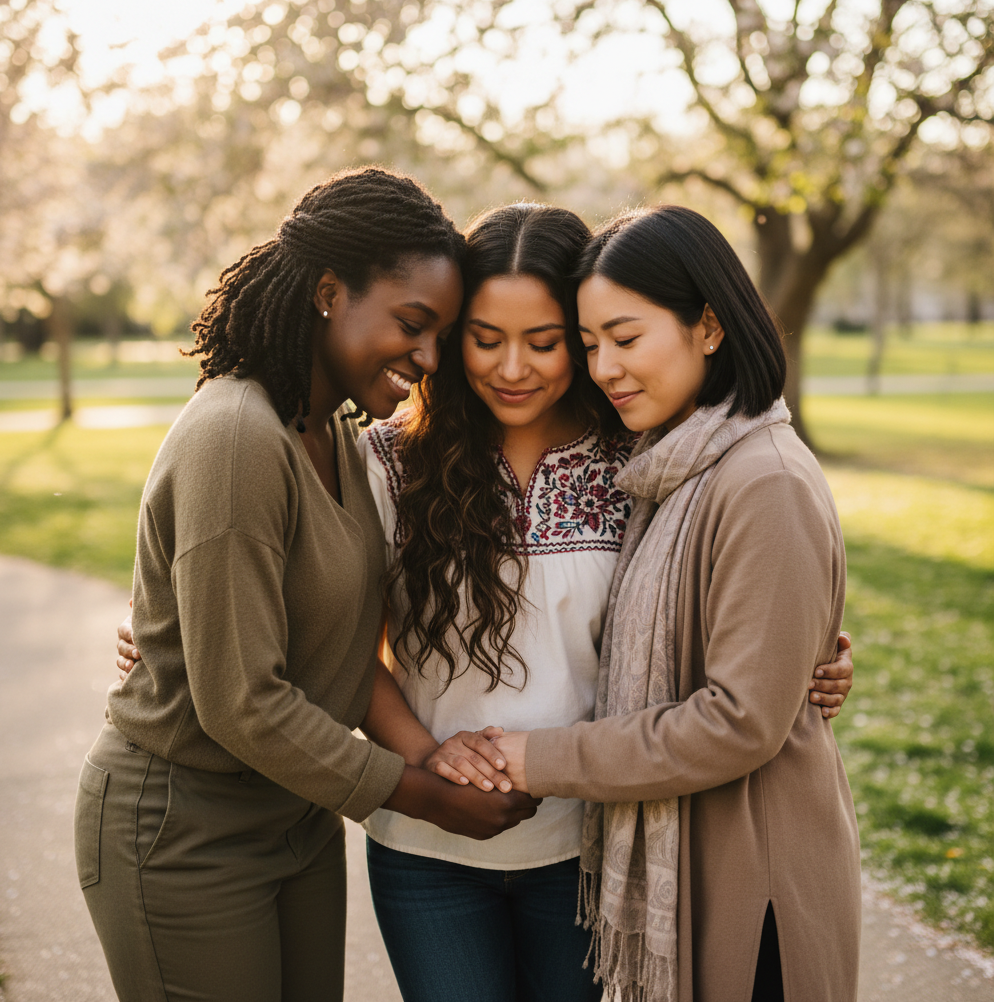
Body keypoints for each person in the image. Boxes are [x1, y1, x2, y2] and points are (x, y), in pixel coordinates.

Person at [115, 202, 855, 1001]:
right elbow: (324, 634)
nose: (513, 368)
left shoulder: (639, 464)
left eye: (547, 342)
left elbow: (709, 611)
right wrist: (427, 761)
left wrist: (809, 659)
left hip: (585, 848)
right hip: (429, 852)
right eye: (484, 338)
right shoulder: (385, 462)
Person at [75, 168, 539, 1002]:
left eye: (440, 335)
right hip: (185, 830)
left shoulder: (331, 437)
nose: (429, 358)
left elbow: (334, 637)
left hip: (296, 820)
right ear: (329, 291)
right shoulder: (237, 435)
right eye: (411, 324)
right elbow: (240, 700)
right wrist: (424, 796)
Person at [492, 205, 861, 1002]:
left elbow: (738, 722)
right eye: (589, 346)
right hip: (702, 858)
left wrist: (537, 757)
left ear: (709, 327)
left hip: (753, 882)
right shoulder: (674, 470)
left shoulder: (763, 481)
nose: (604, 368)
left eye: (626, 339)